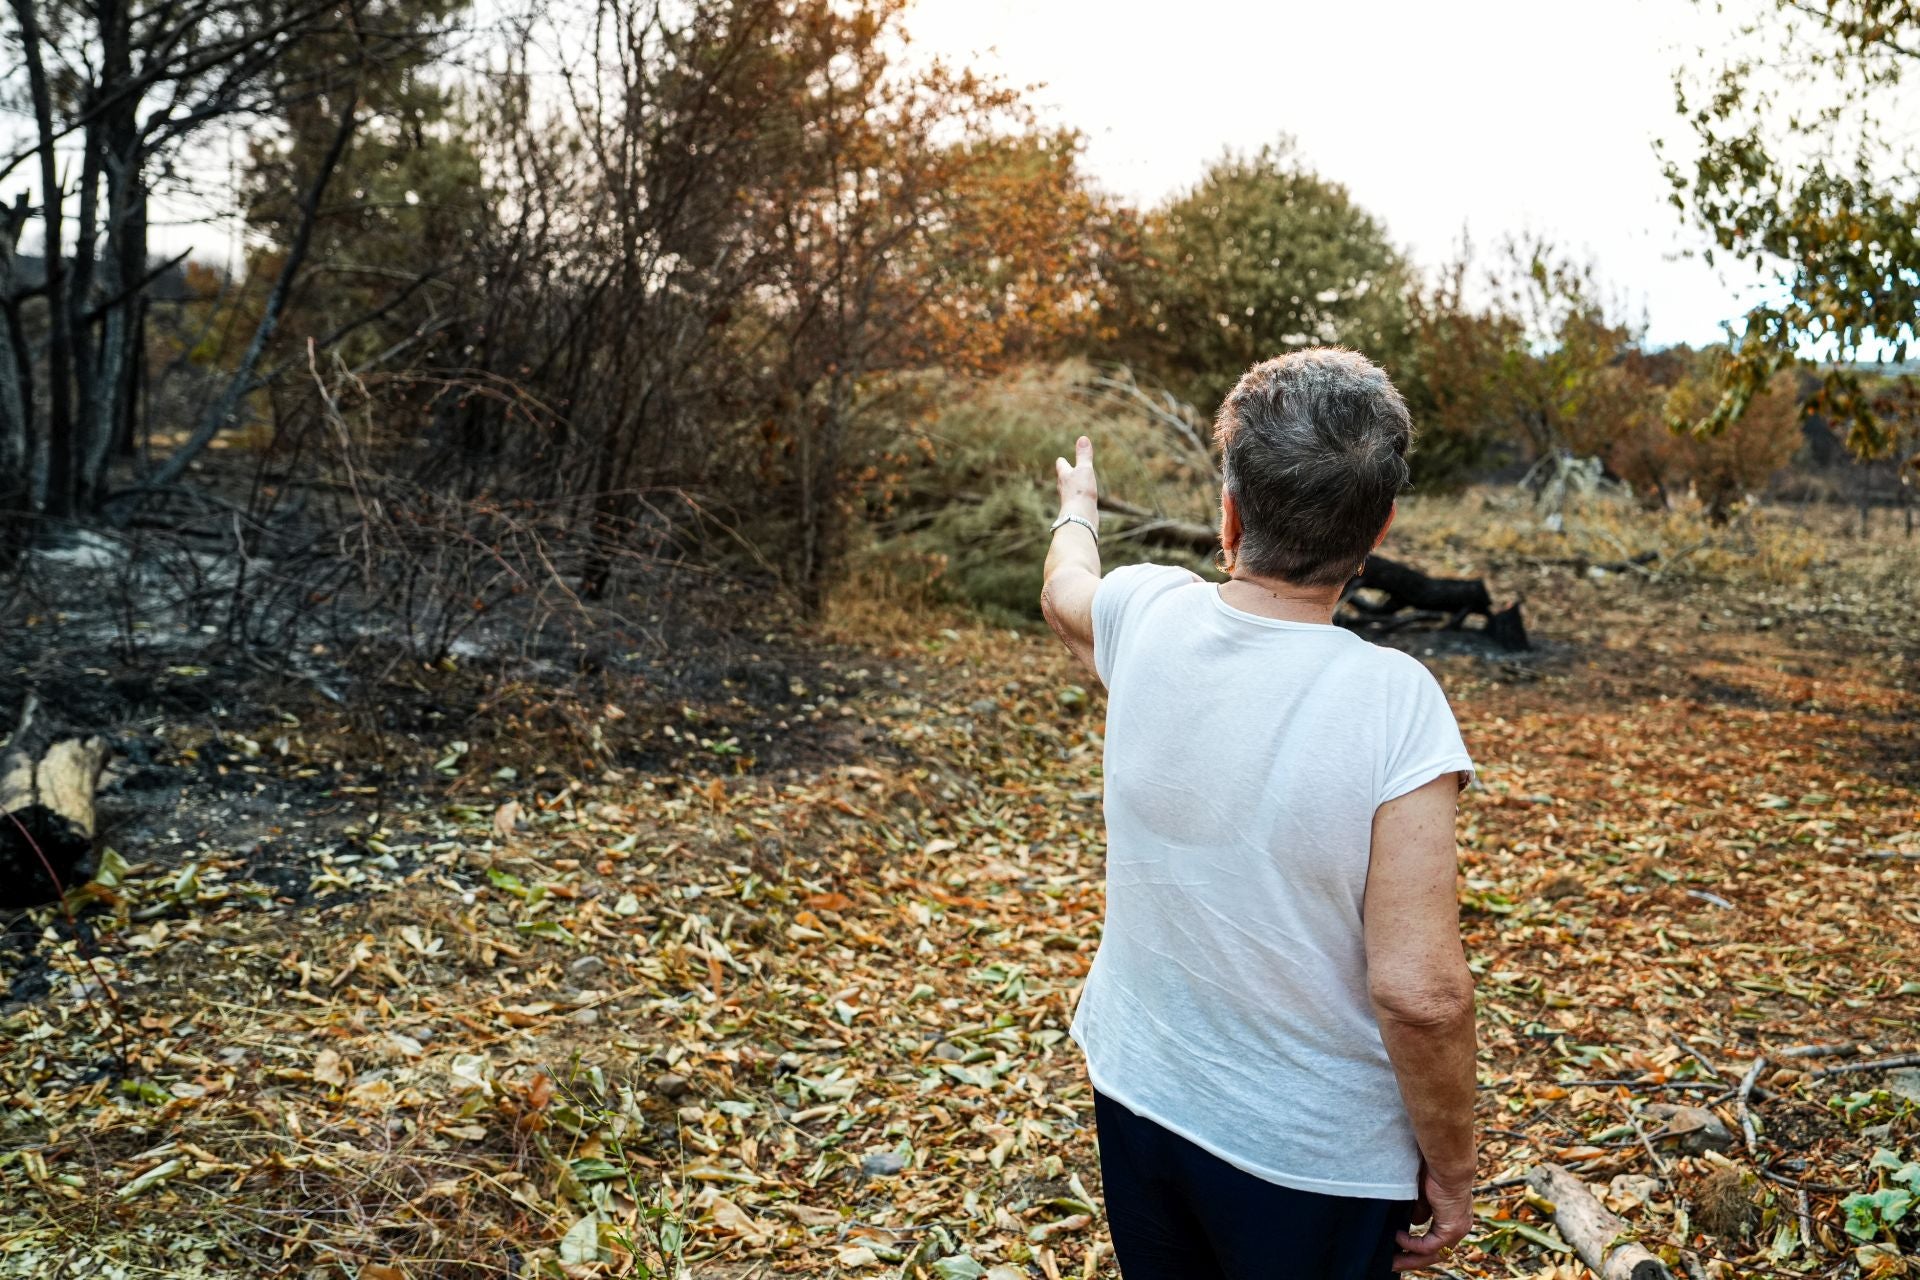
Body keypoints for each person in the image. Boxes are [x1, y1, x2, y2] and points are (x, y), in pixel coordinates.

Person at [1038, 348, 1478, 1279]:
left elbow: (1063, 585)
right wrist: (1454, 1166)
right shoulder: (1397, 702)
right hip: (1308, 1159)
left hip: (1137, 1092)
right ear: (1378, 528)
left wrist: (1079, 507)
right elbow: (1421, 995)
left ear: (1230, 514)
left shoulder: (1148, 611)